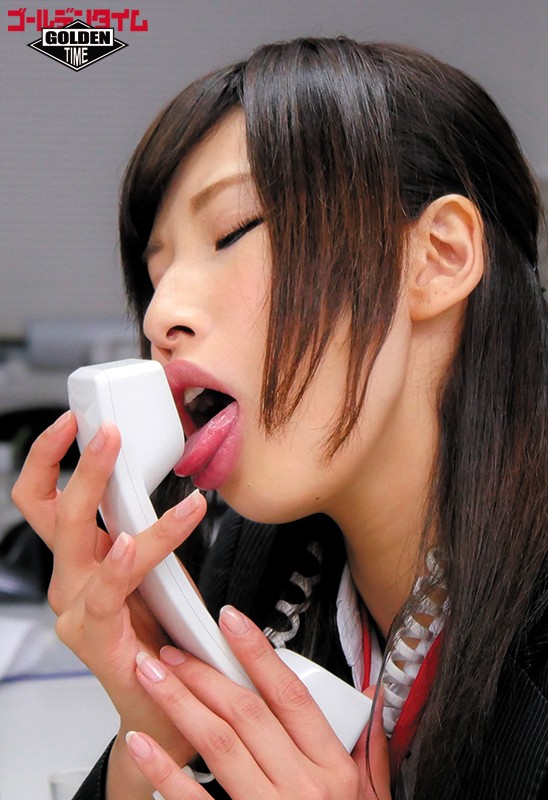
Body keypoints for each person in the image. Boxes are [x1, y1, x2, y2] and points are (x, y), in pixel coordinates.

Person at [12, 36, 548, 800]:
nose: (160, 316)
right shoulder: (252, 561)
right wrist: (159, 734)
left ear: (438, 256)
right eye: (155, 276)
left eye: (232, 231)